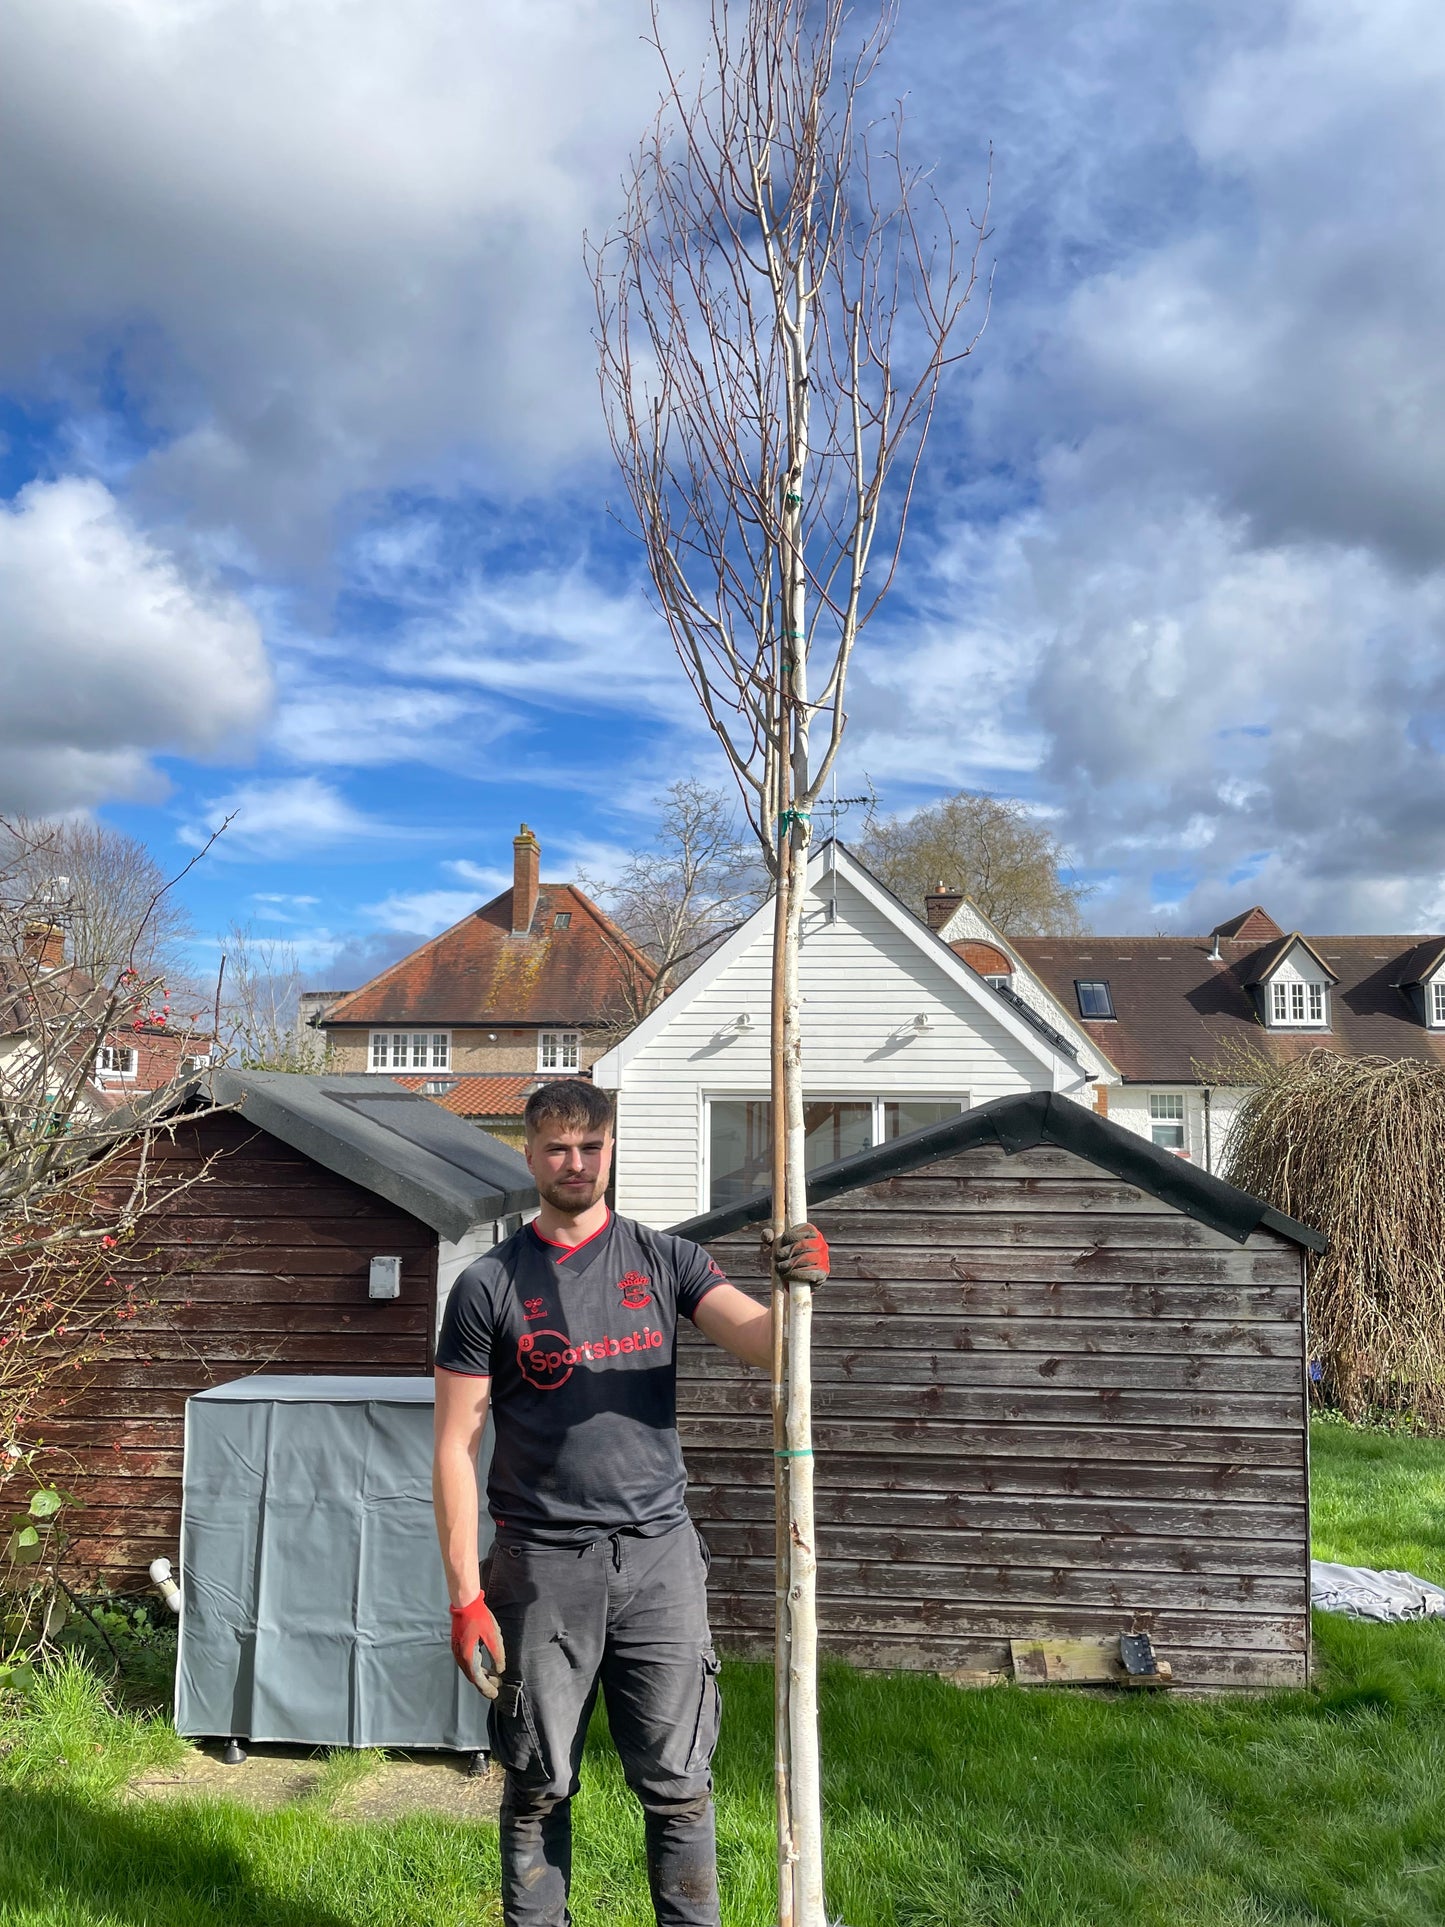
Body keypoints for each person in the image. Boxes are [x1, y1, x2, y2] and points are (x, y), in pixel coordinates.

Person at [432, 1077, 828, 1927]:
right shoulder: (488, 1285)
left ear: (611, 1149)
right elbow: (455, 1446)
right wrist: (465, 1593)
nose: (574, 1162)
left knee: (680, 1782)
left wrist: (798, 1288)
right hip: (540, 1565)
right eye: (555, 1148)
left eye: (590, 1146)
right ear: (529, 1153)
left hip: (658, 1560)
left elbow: (766, 1348)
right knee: (537, 1781)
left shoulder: (666, 1259)